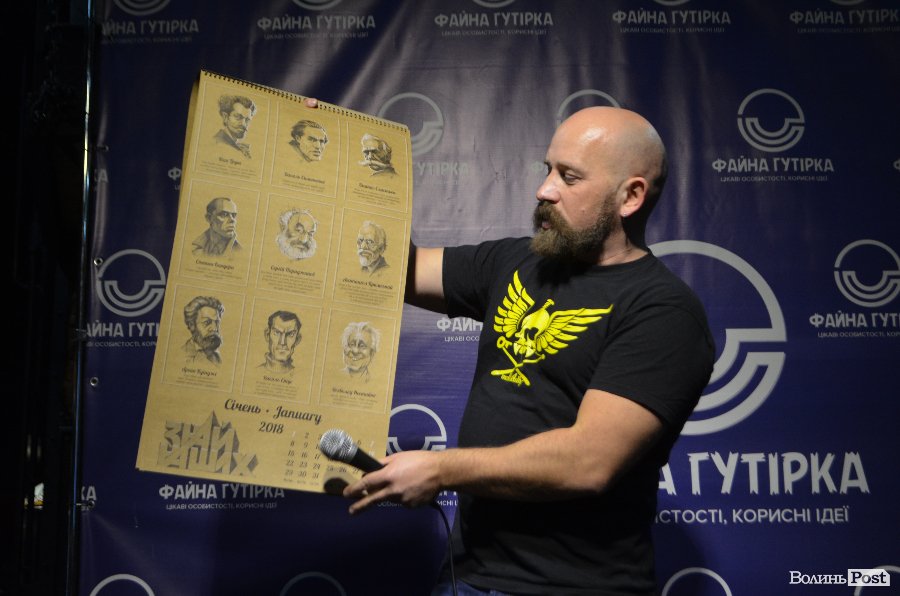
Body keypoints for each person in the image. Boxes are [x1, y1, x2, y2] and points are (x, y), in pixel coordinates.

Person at [336, 104, 716, 595]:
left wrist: (441, 469)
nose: (544, 189)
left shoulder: (662, 311)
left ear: (631, 196)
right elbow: (392, 269)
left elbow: (589, 460)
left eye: (569, 177)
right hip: (466, 578)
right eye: (547, 169)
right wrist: (337, 161)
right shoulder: (516, 262)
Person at [182, 296, 224, 365]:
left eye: (217, 322)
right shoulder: (182, 354)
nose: (214, 328)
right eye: (207, 322)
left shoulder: (217, 357)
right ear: (192, 325)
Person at [214, 94, 255, 159]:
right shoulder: (217, 143)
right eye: (238, 117)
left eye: (247, 120)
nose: (243, 124)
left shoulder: (238, 147)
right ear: (225, 117)